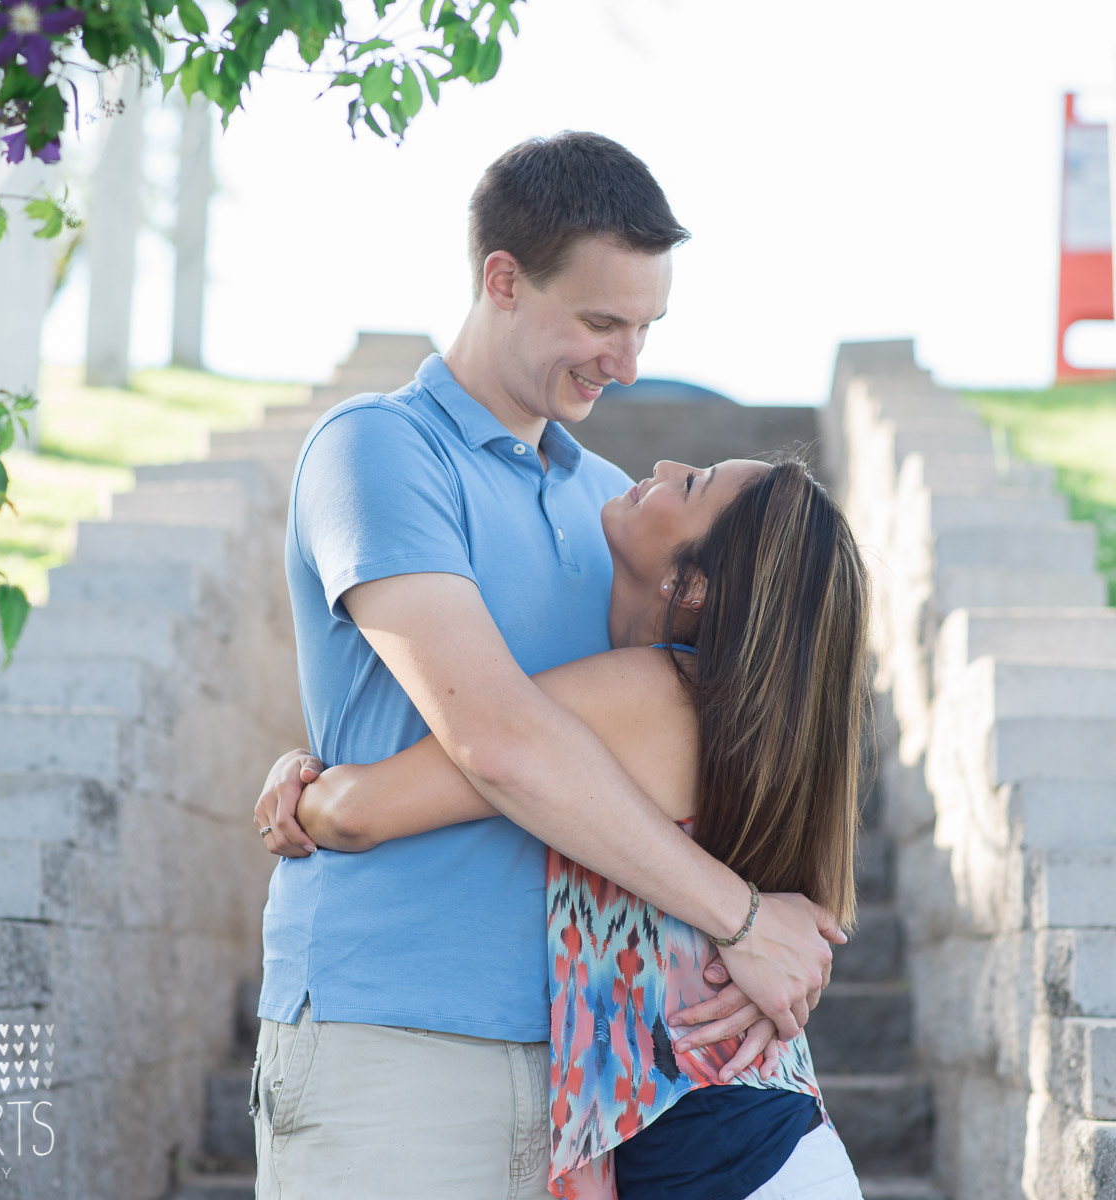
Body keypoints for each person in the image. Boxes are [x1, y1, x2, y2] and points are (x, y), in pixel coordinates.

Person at [249, 132, 845, 1200]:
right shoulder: (379, 450)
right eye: (599, 322)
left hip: (595, 1082)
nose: (626, 363)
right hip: (397, 1039)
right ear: (502, 280)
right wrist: (744, 919)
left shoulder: (613, 509)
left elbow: (689, 742)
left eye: (645, 327)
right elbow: (498, 739)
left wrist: (771, 926)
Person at [281, 453, 871, 1199]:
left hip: (724, 1164)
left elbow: (358, 812)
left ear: (688, 585)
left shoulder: (649, 694)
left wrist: (299, 782)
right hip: (752, 1152)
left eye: (690, 484)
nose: (662, 461)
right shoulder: (706, 717)